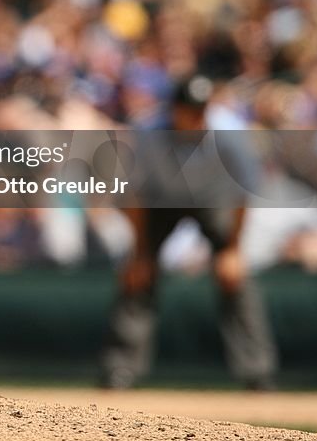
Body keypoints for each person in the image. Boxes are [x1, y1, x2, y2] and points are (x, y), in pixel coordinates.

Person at [98, 74, 278, 391]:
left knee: (234, 275)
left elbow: (242, 194)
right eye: (188, 109)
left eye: (201, 109)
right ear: (174, 109)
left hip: (214, 198)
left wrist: (233, 250)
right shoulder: (149, 130)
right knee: (136, 272)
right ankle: (120, 369)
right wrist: (140, 254)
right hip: (161, 199)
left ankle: (257, 372)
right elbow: (135, 196)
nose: (196, 117)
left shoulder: (229, 130)